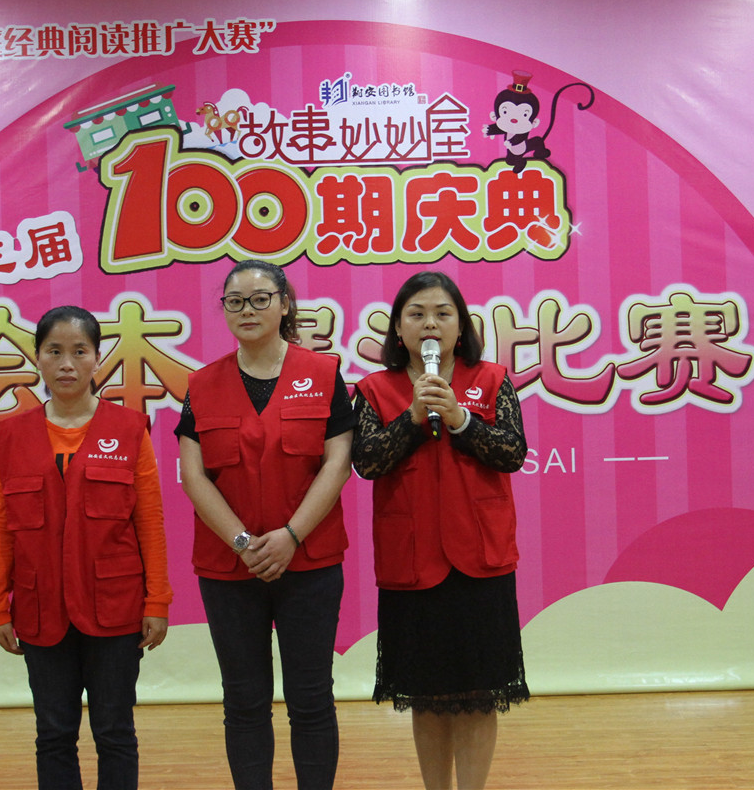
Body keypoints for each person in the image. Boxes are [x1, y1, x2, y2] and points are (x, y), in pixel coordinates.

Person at [176, 260, 355, 790]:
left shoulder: (323, 374)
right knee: (244, 699)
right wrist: (242, 542)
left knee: (311, 697)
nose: (247, 310)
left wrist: (291, 536)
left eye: (260, 299)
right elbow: (193, 475)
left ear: (284, 304)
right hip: (229, 570)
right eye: (235, 301)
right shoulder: (201, 384)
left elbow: (337, 462)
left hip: (311, 564)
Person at [351, 271, 530, 790]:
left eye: (442, 313)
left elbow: (513, 452)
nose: (429, 323)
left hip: (480, 559)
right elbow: (367, 461)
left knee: (480, 695)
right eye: (416, 314)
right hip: (413, 563)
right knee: (426, 696)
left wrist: (461, 419)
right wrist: (412, 417)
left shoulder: (493, 379)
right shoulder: (373, 390)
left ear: (461, 325)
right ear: (398, 328)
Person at [0, 305, 171, 790]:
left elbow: (149, 521)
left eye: (79, 351)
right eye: (54, 351)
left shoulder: (129, 428)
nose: (67, 363)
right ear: (37, 358)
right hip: (40, 606)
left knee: (115, 732)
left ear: (97, 358)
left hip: (115, 607)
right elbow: (3, 525)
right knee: (53, 734)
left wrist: (157, 601)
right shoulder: (12, 435)